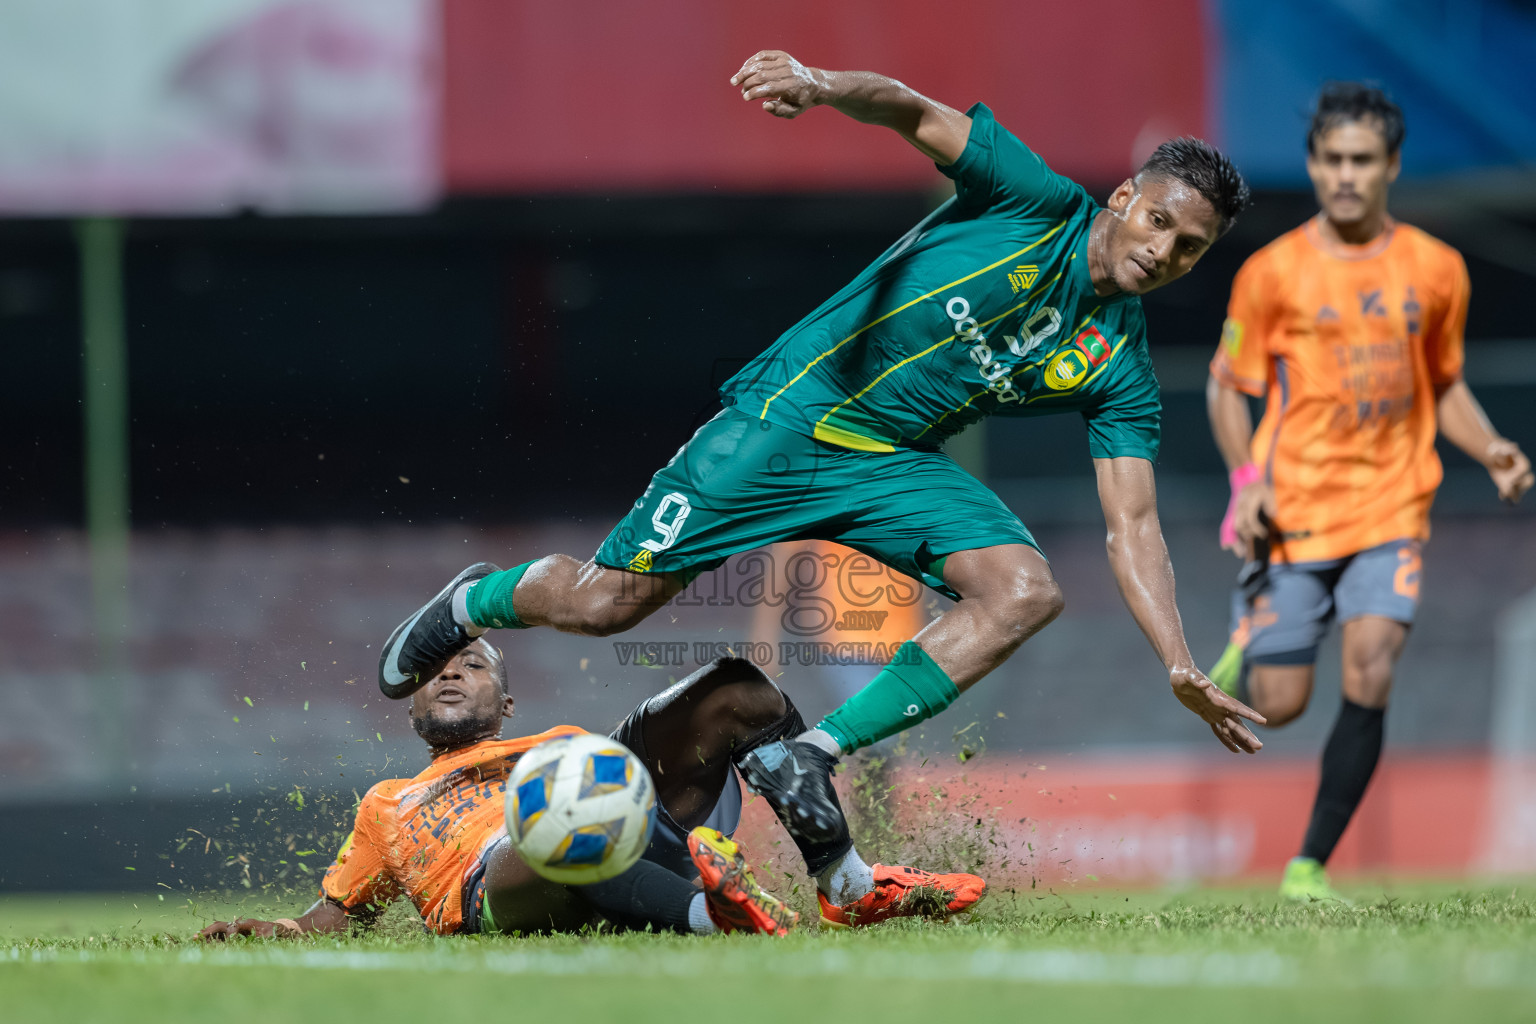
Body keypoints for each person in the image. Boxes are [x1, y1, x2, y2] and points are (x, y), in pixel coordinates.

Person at [378, 49, 1264, 850]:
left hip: (887, 465)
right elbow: (915, 109)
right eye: (1159, 222)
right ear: (1125, 198)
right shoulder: (1034, 202)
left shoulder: (1121, 368)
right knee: (608, 604)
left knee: (1024, 591)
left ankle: (809, 754)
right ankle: (478, 598)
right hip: (791, 415)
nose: (1165, 250)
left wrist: (1179, 661)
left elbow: (1134, 524)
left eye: (1190, 249)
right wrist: (822, 86)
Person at [1205, 83, 1533, 902]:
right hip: (1295, 510)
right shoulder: (1272, 273)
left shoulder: (1437, 268)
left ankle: (1309, 866)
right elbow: (1224, 388)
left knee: (1373, 665)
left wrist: (1490, 447)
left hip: (1392, 507)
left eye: (1361, 160)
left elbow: (1444, 382)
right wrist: (1246, 485)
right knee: (1279, 705)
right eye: (1330, 160)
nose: (1344, 175)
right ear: (1313, 165)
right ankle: (1255, 630)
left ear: (1391, 166)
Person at [201, 642, 983, 940]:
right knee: (548, 818)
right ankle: (708, 914)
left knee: (737, 689)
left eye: (473, 665)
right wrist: (272, 929)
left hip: (639, 822)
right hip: (498, 886)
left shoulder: (563, 748)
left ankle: (846, 883)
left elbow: (618, 761)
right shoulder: (387, 804)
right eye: (439, 668)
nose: (450, 671)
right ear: (410, 707)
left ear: (507, 705)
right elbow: (329, 921)